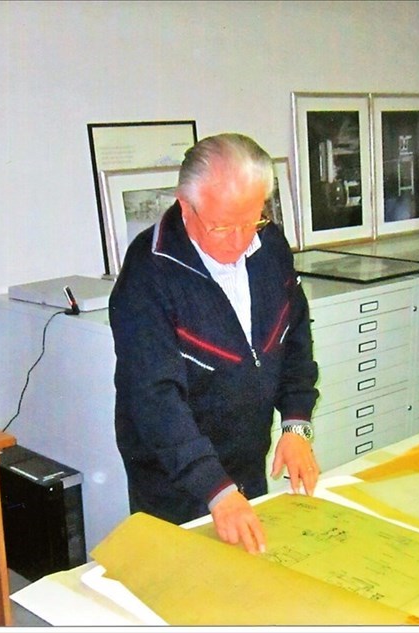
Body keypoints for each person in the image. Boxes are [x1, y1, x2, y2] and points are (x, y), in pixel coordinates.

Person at [108, 133, 320, 555]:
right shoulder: (148, 274)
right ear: (186, 206)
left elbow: (293, 334)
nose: (241, 241)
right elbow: (154, 398)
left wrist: (296, 425)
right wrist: (216, 489)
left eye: (252, 221)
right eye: (223, 226)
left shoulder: (269, 245)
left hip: (246, 461)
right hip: (175, 479)